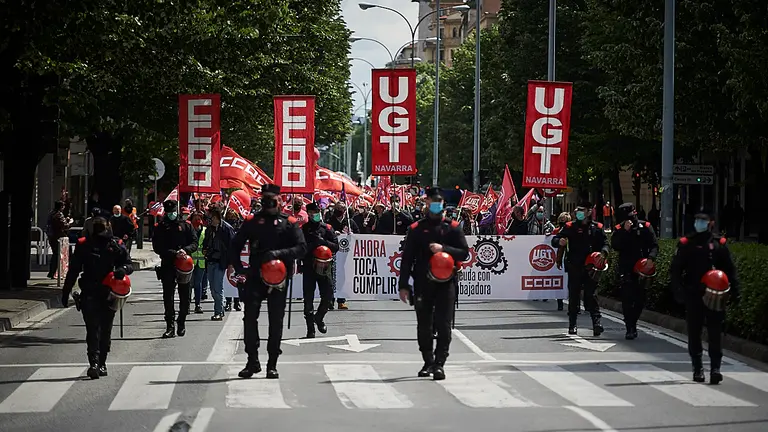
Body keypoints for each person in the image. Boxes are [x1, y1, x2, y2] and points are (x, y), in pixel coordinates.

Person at [229, 184, 307, 379]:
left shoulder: (288, 222)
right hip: (255, 276)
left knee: (275, 321)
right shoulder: (252, 221)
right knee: (250, 319)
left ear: (279, 201)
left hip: (278, 278)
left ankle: (272, 363)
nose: (269, 205)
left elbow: (301, 248)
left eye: (273, 201)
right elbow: (235, 245)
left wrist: (279, 254)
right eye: (266, 201)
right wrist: (240, 268)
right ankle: (252, 361)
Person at [398, 187, 469, 381]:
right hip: (422, 283)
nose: (435, 205)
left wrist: (443, 249)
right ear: (426, 204)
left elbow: (464, 252)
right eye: (432, 202)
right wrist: (404, 285)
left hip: (446, 283)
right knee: (424, 325)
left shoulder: (453, 227)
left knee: (444, 325)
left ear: (443, 204)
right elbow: (407, 259)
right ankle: (428, 360)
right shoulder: (416, 229)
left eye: (438, 202)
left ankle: (439, 363)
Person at [670, 208, 739, 384]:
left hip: (715, 295)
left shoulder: (719, 244)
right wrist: (678, 290)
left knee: (715, 332)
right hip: (694, 294)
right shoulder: (687, 243)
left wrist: (735, 291)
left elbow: (730, 270)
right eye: (697, 220)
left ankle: (715, 368)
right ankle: (698, 368)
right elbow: (676, 269)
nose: (699, 224)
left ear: (711, 223)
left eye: (703, 221)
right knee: (694, 332)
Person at [61, 217, 133, 379]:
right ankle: (93, 362)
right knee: (92, 329)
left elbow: (128, 265)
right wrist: (66, 292)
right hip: (90, 291)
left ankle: (102, 362)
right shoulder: (84, 244)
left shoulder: (115, 245)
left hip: (110, 292)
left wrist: (122, 270)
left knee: (105, 329)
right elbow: (73, 270)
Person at [551, 203, 609, 336]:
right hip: (575, 266)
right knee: (574, 296)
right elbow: (555, 239)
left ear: (589, 212)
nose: (579, 212)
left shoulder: (597, 227)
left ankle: (597, 323)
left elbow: (605, 243)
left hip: (591, 267)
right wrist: (559, 242)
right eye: (577, 210)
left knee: (591, 295)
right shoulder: (570, 226)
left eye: (582, 210)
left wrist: (603, 253)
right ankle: (572, 325)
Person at [611, 203, 658, 340]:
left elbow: (654, 245)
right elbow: (616, 245)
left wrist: (651, 258)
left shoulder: (646, 227)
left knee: (640, 299)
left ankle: (634, 321)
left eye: (632, 216)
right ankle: (630, 327)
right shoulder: (619, 229)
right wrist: (625, 232)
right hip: (626, 267)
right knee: (627, 299)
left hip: (642, 268)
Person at [152, 200, 198, 338]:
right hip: (168, 264)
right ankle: (170, 326)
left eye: (173, 212)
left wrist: (185, 250)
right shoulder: (160, 227)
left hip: (184, 264)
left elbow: (194, 242)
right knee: (168, 297)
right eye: (169, 212)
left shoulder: (186, 225)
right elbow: (157, 247)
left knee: (185, 296)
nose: (172, 214)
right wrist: (173, 253)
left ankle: (181, 321)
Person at [300, 202, 339, 338]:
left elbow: (336, 246)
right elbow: (299, 248)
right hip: (309, 267)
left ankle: (319, 317)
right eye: (310, 213)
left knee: (327, 297)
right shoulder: (303, 229)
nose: (313, 215)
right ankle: (310, 328)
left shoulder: (327, 228)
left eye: (315, 212)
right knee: (308, 300)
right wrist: (311, 245)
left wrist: (323, 242)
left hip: (325, 267)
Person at [202, 207, 235, 321]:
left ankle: (218, 312)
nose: (210, 220)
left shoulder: (227, 229)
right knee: (212, 288)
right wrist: (205, 250)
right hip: (210, 261)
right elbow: (205, 243)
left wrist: (231, 264)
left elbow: (232, 247)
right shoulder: (209, 230)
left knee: (217, 288)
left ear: (217, 217)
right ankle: (220, 307)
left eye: (212, 217)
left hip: (221, 262)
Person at [190, 212, 207, 314]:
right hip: (189, 262)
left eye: (199, 218)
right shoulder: (189, 230)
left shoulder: (205, 231)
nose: (197, 220)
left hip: (201, 262)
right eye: (195, 218)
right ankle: (187, 304)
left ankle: (197, 304)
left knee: (198, 283)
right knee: (188, 284)